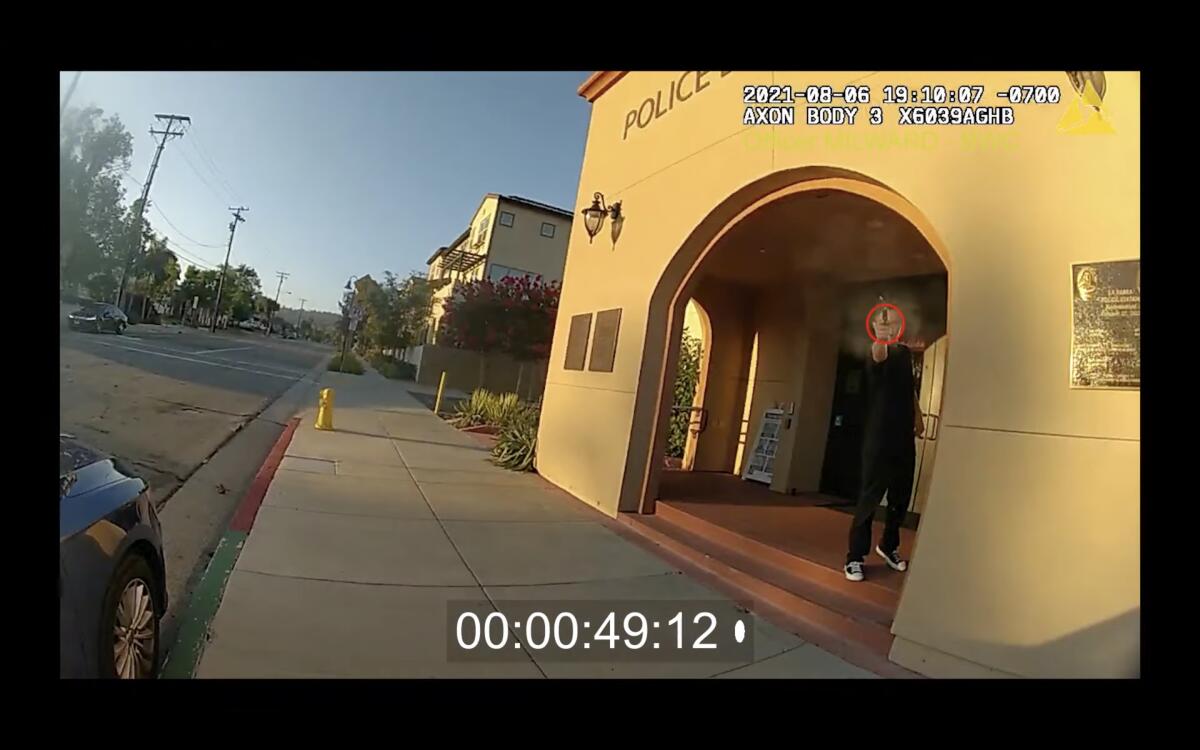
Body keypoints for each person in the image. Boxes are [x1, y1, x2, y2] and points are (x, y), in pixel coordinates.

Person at [844, 307, 924, 582]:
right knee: (870, 497)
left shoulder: (904, 353)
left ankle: (889, 546)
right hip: (879, 436)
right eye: (881, 322)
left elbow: (909, 388)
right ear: (875, 326)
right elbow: (879, 355)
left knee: (901, 496)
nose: (887, 325)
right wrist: (881, 337)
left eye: (891, 322)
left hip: (903, 435)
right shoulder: (877, 349)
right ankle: (854, 557)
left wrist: (918, 415)